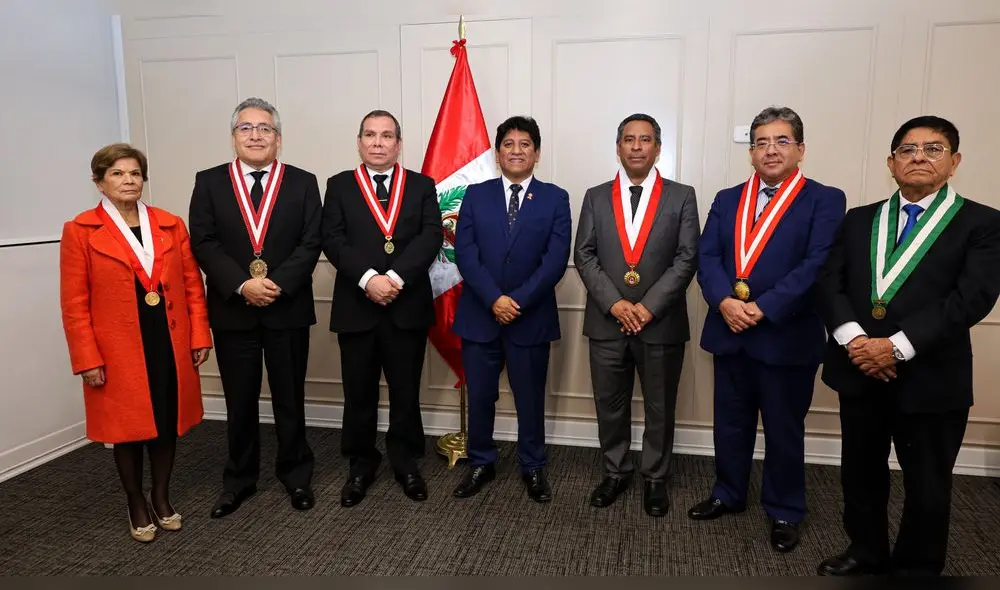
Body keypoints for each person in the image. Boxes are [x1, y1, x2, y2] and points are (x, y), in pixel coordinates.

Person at [816, 116, 1000, 576]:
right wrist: (857, 341)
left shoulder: (982, 224)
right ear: (891, 163)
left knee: (928, 483)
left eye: (933, 149)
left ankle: (918, 566)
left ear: (954, 162)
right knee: (861, 472)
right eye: (907, 149)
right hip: (859, 370)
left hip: (931, 377)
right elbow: (829, 283)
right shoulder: (860, 220)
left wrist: (894, 347)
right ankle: (866, 549)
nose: (918, 156)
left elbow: (970, 299)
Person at [689, 106, 846, 552]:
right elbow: (708, 257)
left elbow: (817, 264)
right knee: (730, 424)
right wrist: (723, 301)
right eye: (761, 142)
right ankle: (728, 492)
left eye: (781, 141)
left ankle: (784, 509)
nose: (770, 150)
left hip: (784, 334)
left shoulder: (825, 199)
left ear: (800, 149)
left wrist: (763, 308)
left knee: (783, 428)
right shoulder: (726, 199)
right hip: (729, 330)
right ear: (751, 152)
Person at [60, 143, 212, 542]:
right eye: (117, 174)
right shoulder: (80, 231)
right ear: (99, 182)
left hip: (168, 339)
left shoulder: (170, 224)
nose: (128, 180)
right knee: (126, 428)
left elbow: (193, 286)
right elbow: (74, 304)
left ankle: (161, 495)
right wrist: (87, 359)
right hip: (116, 351)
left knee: (165, 421)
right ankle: (135, 501)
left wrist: (199, 334)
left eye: (135, 173)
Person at [188, 97, 322, 517]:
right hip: (235, 310)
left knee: (289, 398)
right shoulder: (209, 182)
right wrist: (243, 284)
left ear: (278, 139)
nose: (256, 135)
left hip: (287, 308)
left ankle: (296, 476)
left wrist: (276, 283)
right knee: (239, 401)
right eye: (246, 128)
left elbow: (311, 241)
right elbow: (203, 242)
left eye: (264, 128)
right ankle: (240, 480)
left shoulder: (302, 182)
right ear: (233, 138)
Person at [573, 113, 700, 517]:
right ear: (618, 147)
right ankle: (615, 471)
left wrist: (646, 307)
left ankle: (656, 478)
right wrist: (615, 304)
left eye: (646, 140)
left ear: (658, 147)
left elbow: (687, 257)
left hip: (659, 323)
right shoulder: (595, 196)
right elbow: (584, 253)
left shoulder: (682, 195)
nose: (637, 146)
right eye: (629, 139)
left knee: (661, 406)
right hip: (607, 322)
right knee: (609, 404)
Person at [321, 110, 442, 507]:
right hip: (358, 305)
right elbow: (333, 239)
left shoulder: (422, 185)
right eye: (370, 135)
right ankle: (361, 465)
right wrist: (369, 279)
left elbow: (430, 237)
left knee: (406, 391)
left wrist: (396, 280)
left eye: (386, 135)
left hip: (405, 305)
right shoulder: (338, 185)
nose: (377, 142)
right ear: (359, 142)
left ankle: (406, 463)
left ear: (399, 144)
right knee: (359, 393)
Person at [451, 115, 572, 502]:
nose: (516, 150)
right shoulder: (475, 194)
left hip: (530, 317)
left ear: (537, 153)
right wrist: (494, 300)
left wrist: (515, 301)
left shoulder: (556, 198)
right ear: (497, 152)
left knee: (530, 397)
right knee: (481, 396)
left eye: (525, 144)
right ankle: (481, 462)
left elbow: (555, 261)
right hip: (480, 314)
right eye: (508, 144)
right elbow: (465, 255)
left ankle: (533, 466)